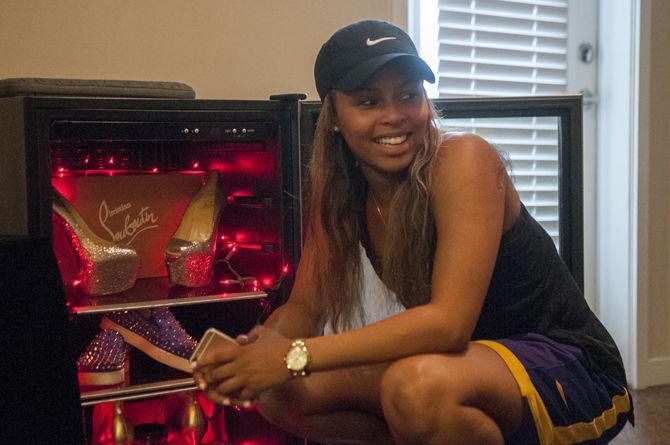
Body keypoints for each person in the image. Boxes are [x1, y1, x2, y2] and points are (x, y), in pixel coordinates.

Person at [193, 20, 633, 445]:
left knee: (415, 386)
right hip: (463, 368)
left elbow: (447, 325)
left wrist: (293, 357)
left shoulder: (465, 161)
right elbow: (307, 306)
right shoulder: (341, 195)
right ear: (333, 117)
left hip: (565, 365)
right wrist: (255, 352)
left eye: (408, 95)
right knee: (280, 391)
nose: (395, 116)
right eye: (368, 102)